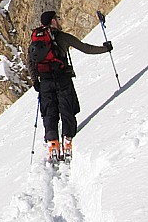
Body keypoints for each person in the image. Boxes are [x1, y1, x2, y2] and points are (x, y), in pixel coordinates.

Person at [28, 10, 113, 160]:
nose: (59, 21)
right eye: (57, 19)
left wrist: (35, 81)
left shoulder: (36, 40)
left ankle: (53, 143)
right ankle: (67, 141)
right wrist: (105, 48)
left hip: (45, 82)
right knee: (67, 108)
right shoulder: (62, 37)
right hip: (62, 79)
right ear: (53, 21)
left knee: (49, 112)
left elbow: (30, 62)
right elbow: (85, 48)